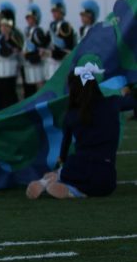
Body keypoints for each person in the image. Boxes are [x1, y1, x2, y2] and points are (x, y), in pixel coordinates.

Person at [26, 67, 136, 199]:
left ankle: (47, 181)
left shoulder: (71, 114)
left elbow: (64, 150)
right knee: (99, 185)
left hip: (76, 169)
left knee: (63, 172)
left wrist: (62, 163)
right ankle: (72, 191)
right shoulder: (113, 103)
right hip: (105, 176)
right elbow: (134, 101)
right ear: (95, 85)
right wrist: (129, 89)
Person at [0, 3, 23, 112]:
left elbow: (19, 46)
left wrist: (9, 38)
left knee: (10, 92)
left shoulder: (15, 33)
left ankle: (12, 112)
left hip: (10, 68)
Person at [46, 0, 76, 82]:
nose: (54, 14)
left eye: (56, 11)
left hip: (62, 62)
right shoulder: (52, 25)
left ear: (62, 12)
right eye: (53, 12)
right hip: (53, 62)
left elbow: (68, 47)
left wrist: (55, 53)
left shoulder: (66, 26)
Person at [22, 4, 49, 98]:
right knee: (29, 89)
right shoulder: (27, 31)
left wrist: (36, 56)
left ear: (36, 19)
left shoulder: (38, 31)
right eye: (28, 18)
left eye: (31, 18)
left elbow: (42, 47)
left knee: (39, 88)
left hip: (36, 63)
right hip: (28, 63)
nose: (29, 20)